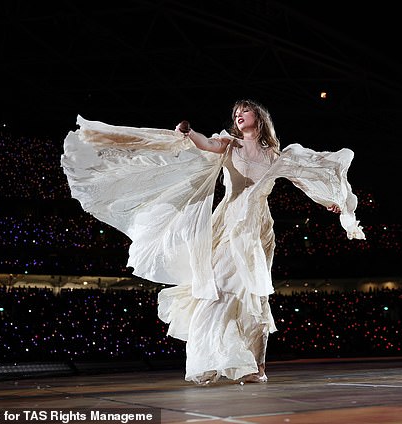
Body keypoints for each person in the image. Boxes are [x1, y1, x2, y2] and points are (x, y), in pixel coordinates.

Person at [61, 99, 365, 385]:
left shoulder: (275, 155)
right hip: (229, 223)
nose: (239, 115)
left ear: (258, 117)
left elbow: (303, 177)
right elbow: (206, 143)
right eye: (236, 113)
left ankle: (256, 367)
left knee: (254, 294)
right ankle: (208, 360)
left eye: (244, 111)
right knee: (216, 288)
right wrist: (189, 132)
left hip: (258, 228)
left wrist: (331, 202)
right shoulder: (228, 145)